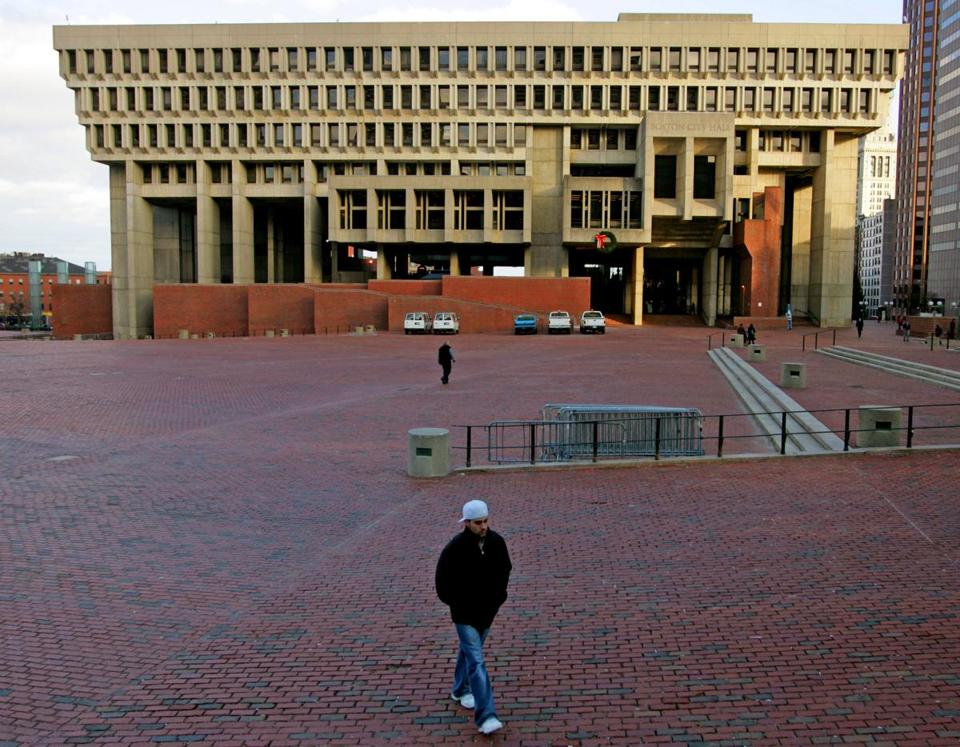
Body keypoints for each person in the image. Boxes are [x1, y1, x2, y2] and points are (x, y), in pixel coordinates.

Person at [435, 500, 512, 736]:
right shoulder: (455, 548)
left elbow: (505, 570)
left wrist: (498, 598)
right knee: (477, 660)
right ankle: (486, 715)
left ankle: (460, 689)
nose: (484, 526)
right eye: (478, 522)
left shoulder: (496, 542)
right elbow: (442, 581)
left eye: (486, 521)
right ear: (467, 523)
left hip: (487, 611)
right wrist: (457, 604)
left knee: (469, 651)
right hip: (464, 614)